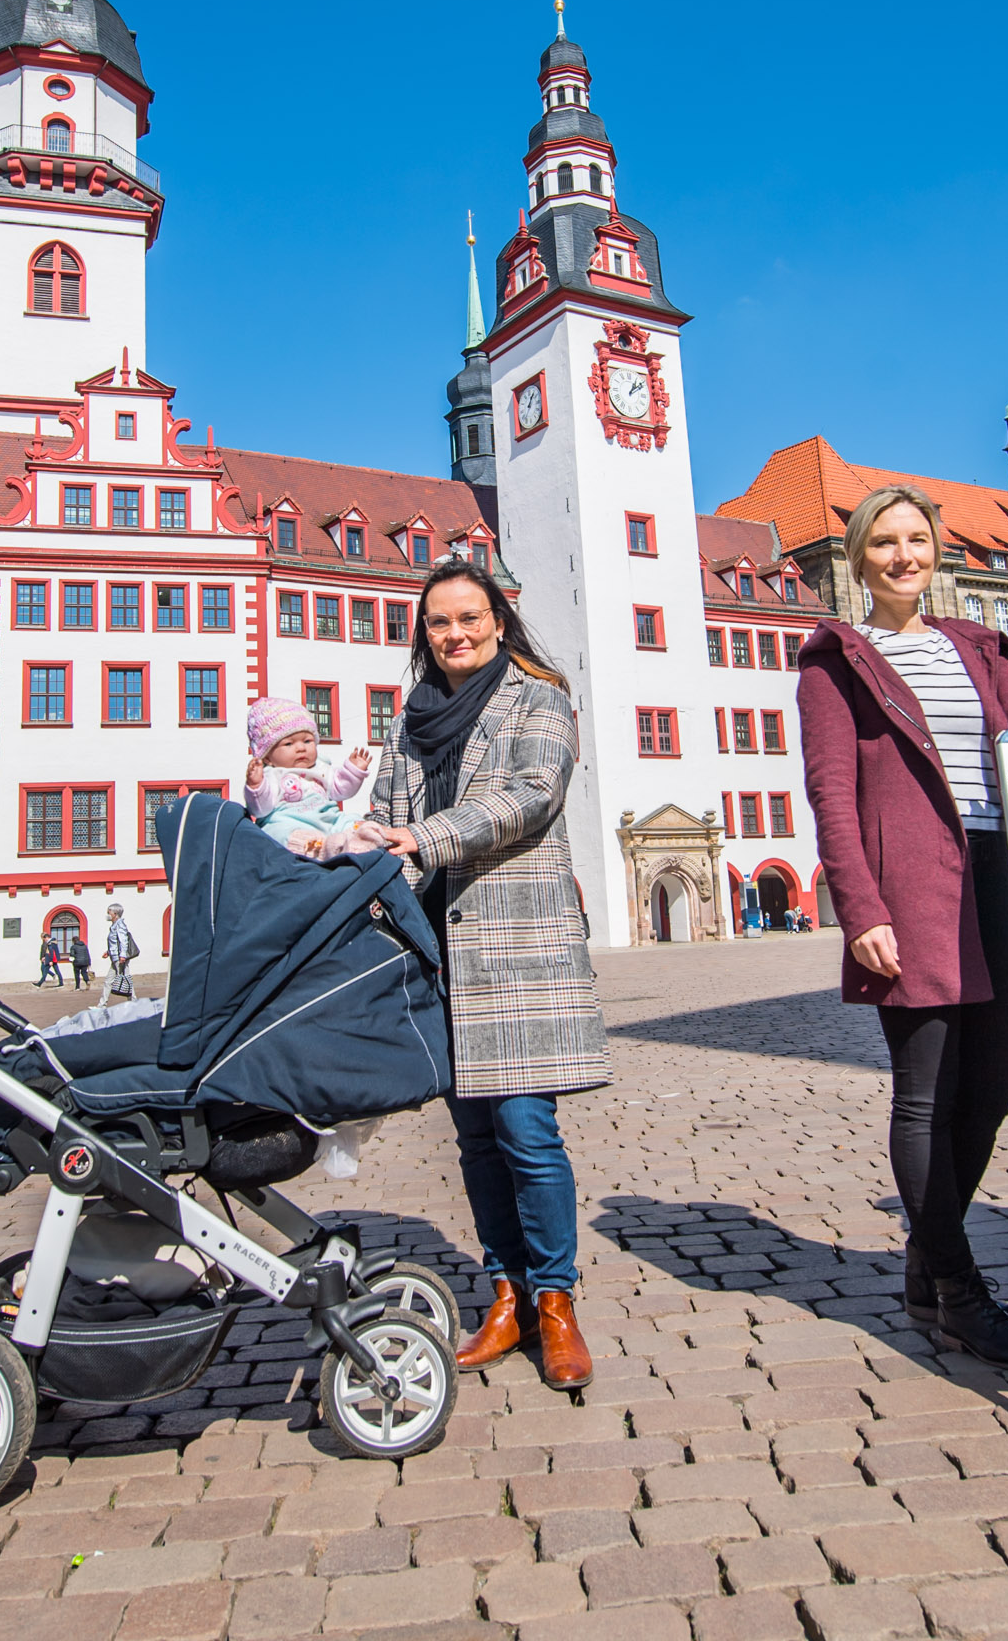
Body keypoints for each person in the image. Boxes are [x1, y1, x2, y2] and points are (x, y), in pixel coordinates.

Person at [798, 485, 1008, 1373]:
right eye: (882, 542)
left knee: (993, 1086)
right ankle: (957, 1292)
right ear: (858, 559)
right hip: (910, 884)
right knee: (926, 1091)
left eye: (915, 539)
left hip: (997, 876)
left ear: (935, 550)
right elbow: (831, 797)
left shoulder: (973, 647)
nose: (901, 555)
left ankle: (929, 1265)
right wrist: (861, 909)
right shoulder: (834, 662)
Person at [352, 558, 606, 1392]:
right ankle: (508, 1295)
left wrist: (424, 839)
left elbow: (533, 796)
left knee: (528, 1136)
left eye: (469, 618)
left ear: (499, 619)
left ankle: (557, 1302)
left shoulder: (540, 697)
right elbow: (389, 814)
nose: (455, 634)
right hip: (436, 950)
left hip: (517, 944)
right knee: (473, 1140)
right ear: (422, 636)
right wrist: (357, 839)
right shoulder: (410, 719)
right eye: (438, 623)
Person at [244, 694, 375, 857]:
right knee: (276, 832)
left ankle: (360, 841)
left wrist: (353, 771)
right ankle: (317, 849)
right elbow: (261, 811)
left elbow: (341, 789)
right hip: (289, 822)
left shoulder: (320, 767)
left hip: (327, 819)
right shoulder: (270, 775)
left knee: (350, 821)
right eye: (289, 744)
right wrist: (256, 786)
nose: (301, 748)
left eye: (307, 741)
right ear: (267, 756)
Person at [101, 903, 139, 1000]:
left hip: (119, 958)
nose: (108, 915)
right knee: (108, 981)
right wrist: (109, 951)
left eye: (109, 912)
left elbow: (123, 941)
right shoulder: (114, 925)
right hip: (115, 957)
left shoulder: (120, 925)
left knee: (126, 979)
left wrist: (122, 955)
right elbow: (115, 943)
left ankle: (133, 1001)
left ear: (115, 913)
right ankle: (102, 1005)